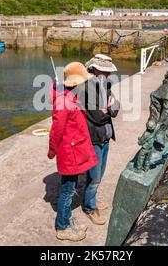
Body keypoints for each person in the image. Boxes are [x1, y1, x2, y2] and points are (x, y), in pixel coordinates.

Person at [48, 62, 98, 242]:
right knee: (67, 190)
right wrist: (52, 150)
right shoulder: (64, 101)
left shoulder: (72, 97)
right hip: (70, 153)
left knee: (71, 188)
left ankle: (67, 219)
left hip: (75, 151)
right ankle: (62, 227)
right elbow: (57, 130)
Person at [81, 54, 120, 225]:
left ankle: (92, 199)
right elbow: (96, 117)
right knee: (95, 177)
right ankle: (89, 207)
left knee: (98, 175)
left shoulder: (107, 84)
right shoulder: (85, 88)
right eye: (106, 71)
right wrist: (106, 109)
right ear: (96, 70)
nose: (109, 74)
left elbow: (116, 108)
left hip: (106, 135)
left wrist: (108, 109)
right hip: (94, 138)